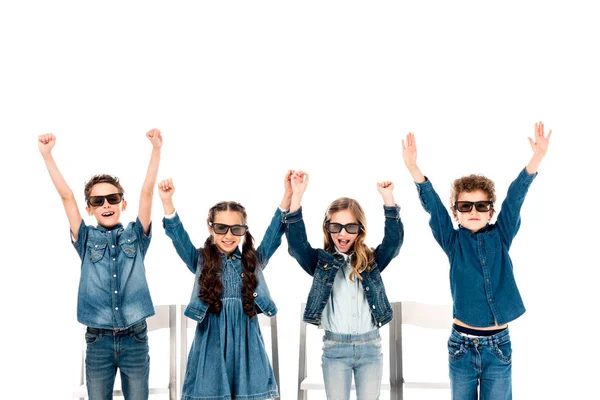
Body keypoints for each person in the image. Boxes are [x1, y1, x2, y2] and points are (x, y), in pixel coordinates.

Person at [401, 122, 552, 399]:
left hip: (499, 346)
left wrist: (537, 158)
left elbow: (515, 198)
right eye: (465, 206)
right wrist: (414, 169)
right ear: (456, 212)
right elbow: (433, 208)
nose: (473, 211)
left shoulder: (502, 235)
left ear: (490, 211)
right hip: (461, 347)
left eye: (481, 206)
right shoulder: (453, 242)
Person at [38, 130, 163, 400]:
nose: (106, 204)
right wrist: (47, 156)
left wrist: (156, 150)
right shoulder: (85, 238)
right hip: (98, 340)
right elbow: (67, 197)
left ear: (122, 203)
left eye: (112, 199)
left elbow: (147, 193)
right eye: (98, 201)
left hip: (135, 337)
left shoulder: (135, 236)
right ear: (90, 209)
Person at [158, 171, 293, 400]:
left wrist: (288, 194)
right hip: (211, 340)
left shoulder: (252, 262)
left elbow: (274, 234)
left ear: (244, 230)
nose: (228, 235)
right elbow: (178, 238)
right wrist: (167, 202)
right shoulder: (202, 261)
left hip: (247, 342)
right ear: (211, 228)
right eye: (221, 228)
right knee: (210, 391)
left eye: (236, 229)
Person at [284, 171, 404, 400]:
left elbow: (393, 243)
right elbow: (297, 246)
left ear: (360, 229)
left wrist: (388, 200)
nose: (342, 233)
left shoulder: (370, 261)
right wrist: (297, 196)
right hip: (335, 349)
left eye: (350, 227)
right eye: (336, 227)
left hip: (370, 347)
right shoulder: (321, 263)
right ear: (327, 227)